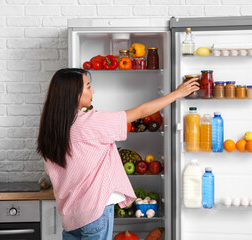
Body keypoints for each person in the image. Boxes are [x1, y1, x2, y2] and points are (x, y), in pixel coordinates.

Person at [37, 68, 199, 240]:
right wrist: (177, 93)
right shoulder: (91, 122)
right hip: (95, 212)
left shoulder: (50, 129)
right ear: (74, 94)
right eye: (88, 86)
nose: (93, 91)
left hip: (70, 217)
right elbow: (142, 112)